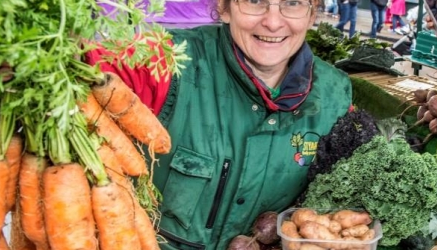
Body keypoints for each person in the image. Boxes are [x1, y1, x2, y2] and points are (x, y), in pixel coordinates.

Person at [85, 0, 353, 248]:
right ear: (224, 8)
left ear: (311, 14)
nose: (273, 22)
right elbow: (78, 71)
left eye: (292, 2)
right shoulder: (166, 59)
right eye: (254, 1)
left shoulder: (335, 94)